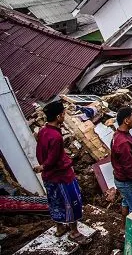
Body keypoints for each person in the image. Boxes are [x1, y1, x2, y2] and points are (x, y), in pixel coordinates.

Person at [34, 101, 91, 245]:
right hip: (61, 177)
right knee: (72, 202)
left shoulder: (43, 131)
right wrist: (46, 166)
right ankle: (74, 232)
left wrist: (43, 167)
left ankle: (60, 228)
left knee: (55, 202)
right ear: (59, 116)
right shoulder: (56, 137)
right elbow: (53, 159)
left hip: (49, 177)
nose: (65, 116)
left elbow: (40, 153)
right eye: (64, 114)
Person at [111, 107, 132, 235]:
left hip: (122, 179)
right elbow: (129, 167)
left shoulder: (120, 134)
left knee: (126, 201)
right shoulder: (123, 142)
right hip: (127, 181)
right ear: (126, 120)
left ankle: (123, 228)